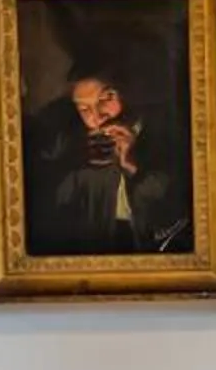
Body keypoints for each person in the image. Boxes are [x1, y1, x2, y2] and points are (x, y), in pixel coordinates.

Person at [23, 69, 192, 256]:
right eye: (84, 109)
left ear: (128, 93)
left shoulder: (166, 135)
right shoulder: (75, 145)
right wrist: (72, 161)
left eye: (106, 98)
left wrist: (131, 166)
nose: (97, 116)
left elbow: (172, 217)